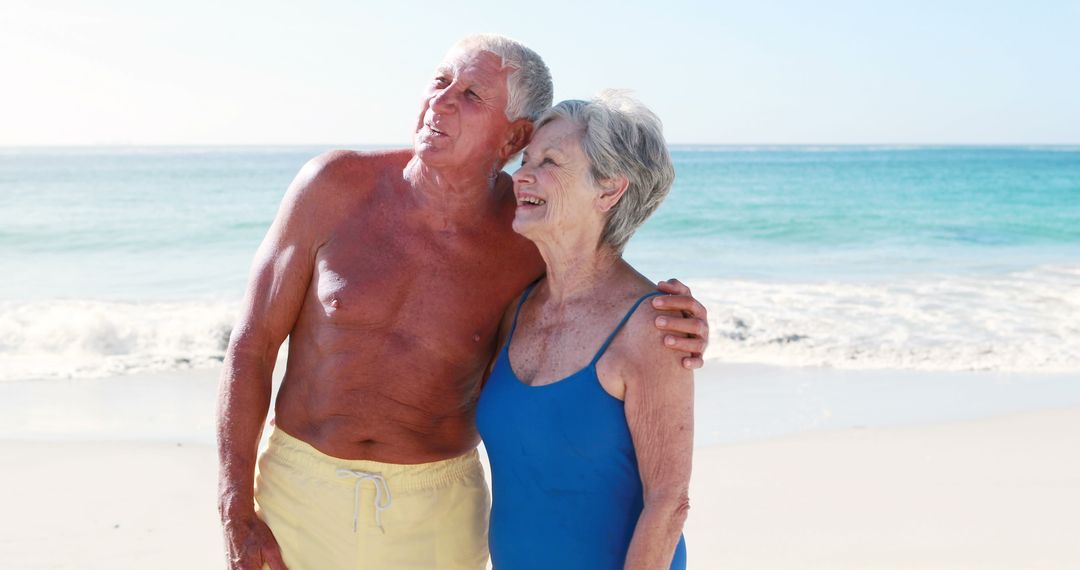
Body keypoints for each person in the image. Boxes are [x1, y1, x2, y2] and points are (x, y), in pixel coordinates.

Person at [216, 35, 708, 570]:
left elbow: (596, 288)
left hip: (439, 507)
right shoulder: (333, 186)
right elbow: (252, 346)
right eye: (439, 80)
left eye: (472, 95)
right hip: (298, 488)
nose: (442, 100)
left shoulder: (525, 239)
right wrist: (233, 505)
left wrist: (677, 320)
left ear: (512, 136)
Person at [476, 92, 692, 569]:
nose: (522, 176)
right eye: (525, 160)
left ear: (609, 191)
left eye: (550, 162)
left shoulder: (653, 326)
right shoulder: (516, 310)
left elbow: (669, 501)